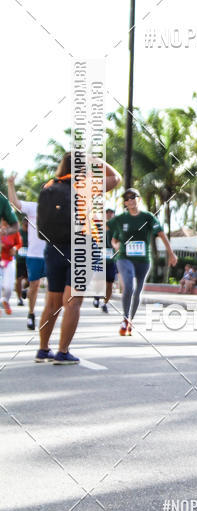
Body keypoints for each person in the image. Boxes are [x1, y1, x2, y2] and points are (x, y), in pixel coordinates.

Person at [36, 153, 121, 364]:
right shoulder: (84, 185)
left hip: (53, 248)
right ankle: (63, 352)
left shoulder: (48, 186)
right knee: (73, 301)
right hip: (81, 248)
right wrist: (94, 159)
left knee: (53, 302)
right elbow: (116, 178)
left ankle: (43, 349)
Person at [108, 189, 178, 336]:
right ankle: (125, 318)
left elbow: (161, 234)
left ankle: (130, 320)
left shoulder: (148, 217)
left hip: (143, 260)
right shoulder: (121, 219)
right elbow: (109, 232)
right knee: (129, 286)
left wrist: (171, 253)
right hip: (124, 257)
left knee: (138, 290)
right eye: (127, 198)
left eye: (133, 197)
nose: (130, 200)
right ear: (125, 203)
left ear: (138, 199)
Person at [7, 173, 47, 330]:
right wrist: (11, 184)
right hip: (34, 255)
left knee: (54, 288)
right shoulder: (33, 208)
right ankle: (31, 313)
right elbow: (14, 203)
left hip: (53, 254)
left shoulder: (60, 210)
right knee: (35, 284)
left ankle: (48, 316)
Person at [93, 208, 116, 313]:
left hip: (112, 260)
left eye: (112, 213)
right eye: (108, 213)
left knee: (110, 283)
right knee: (99, 281)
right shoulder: (99, 226)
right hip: (100, 258)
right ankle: (97, 297)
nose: (110, 215)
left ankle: (105, 303)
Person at [0, 218, 22, 314]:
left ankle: (5, 300)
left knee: (8, 286)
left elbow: (19, 243)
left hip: (9, 260)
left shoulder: (14, 231)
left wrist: (14, 248)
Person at [15, 219, 28, 307]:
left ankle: (24, 289)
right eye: (25, 223)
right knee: (18, 279)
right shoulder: (18, 232)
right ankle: (19, 299)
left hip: (30, 259)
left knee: (30, 280)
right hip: (20, 260)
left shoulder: (32, 233)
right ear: (22, 223)